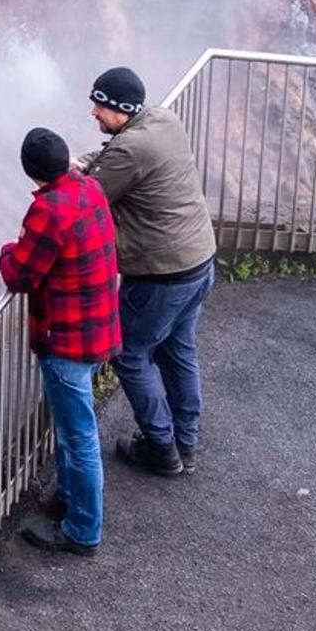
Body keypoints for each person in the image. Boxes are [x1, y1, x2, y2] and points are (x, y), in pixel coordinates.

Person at [83, 65, 215, 477]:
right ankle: (185, 443)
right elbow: (111, 158)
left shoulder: (130, 151)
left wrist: (65, 170)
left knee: (130, 354)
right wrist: (82, 160)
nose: (94, 112)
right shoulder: (162, 120)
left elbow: (91, 194)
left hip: (162, 276)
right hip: (199, 262)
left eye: (100, 106)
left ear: (121, 110)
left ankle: (160, 447)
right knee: (178, 352)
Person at [0, 124, 118, 556]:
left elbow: (20, 275)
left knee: (79, 434)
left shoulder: (49, 210)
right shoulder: (88, 188)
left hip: (67, 338)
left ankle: (83, 529)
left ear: (30, 172)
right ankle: (68, 498)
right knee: (71, 430)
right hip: (97, 326)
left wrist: (7, 249)